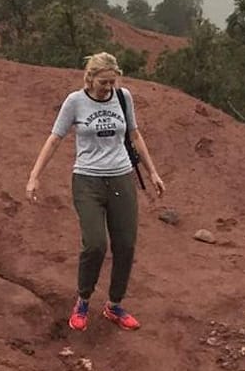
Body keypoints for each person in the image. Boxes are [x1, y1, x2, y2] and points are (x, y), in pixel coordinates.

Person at [25, 52, 165, 331]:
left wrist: (152, 172)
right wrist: (34, 176)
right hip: (87, 180)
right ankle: (83, 300)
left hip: (121, 177)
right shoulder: (75, 102)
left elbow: (134, 135)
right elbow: (55, 139)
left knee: (125, 245)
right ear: (89, 78)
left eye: (112, 82)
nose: (108, 88)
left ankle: (114, 305)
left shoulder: (124, 97)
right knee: (95, 244)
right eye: (103, 82)